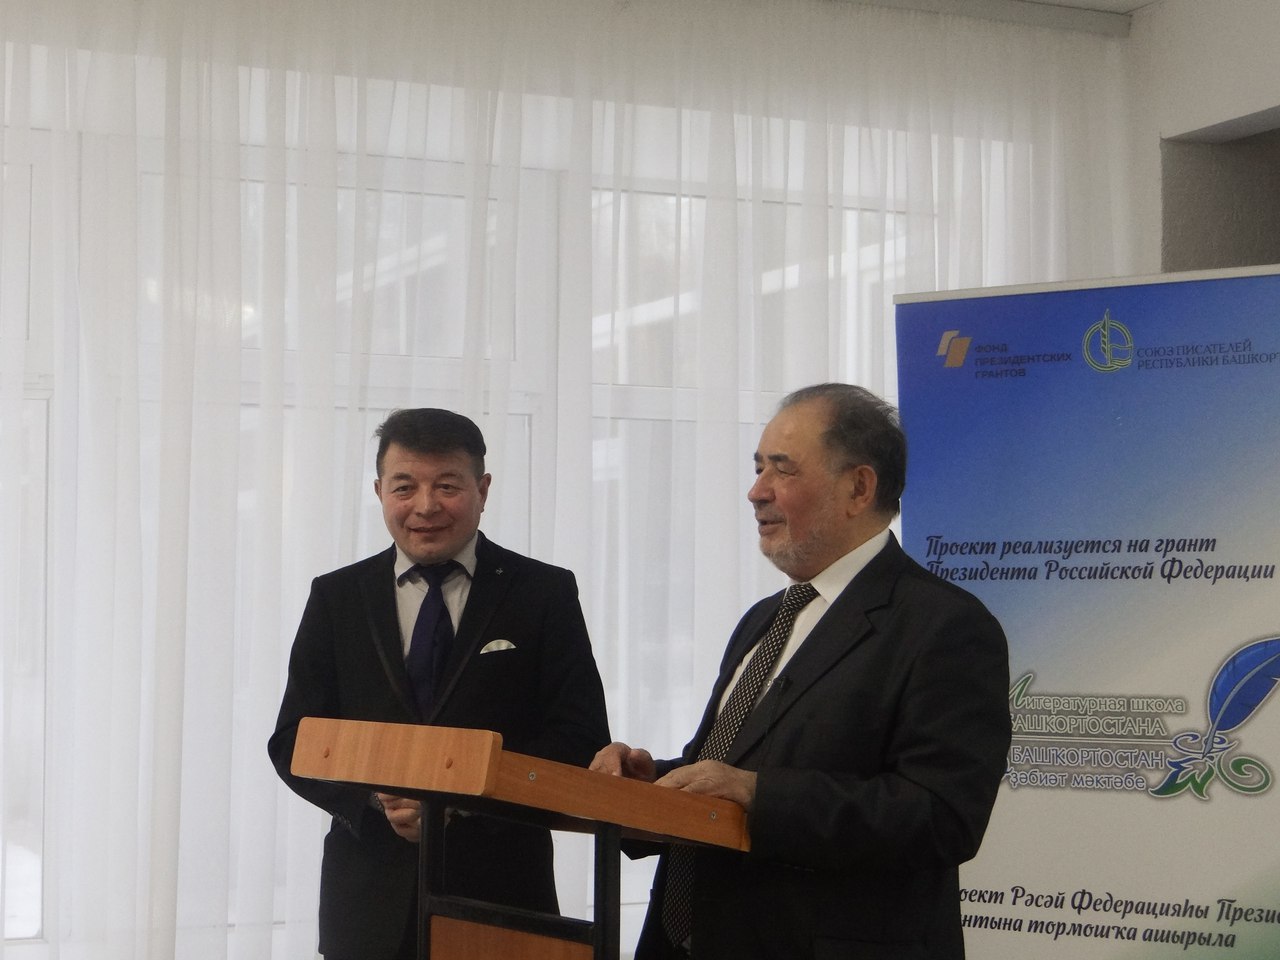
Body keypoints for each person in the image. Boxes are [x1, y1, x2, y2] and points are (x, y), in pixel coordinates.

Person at [592, 383, 1010, 960]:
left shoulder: (945, 625)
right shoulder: (764, 619)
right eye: (757, 468)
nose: (756, 491)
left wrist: (757, 794)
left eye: (781, 469)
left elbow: (942, 817)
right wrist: (652, 787)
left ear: (858, 487)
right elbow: (733, 766)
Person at [269, 408, 611, 960]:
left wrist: (460, 799)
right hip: (367, 903)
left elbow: (579, 736)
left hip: (502, 891)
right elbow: (294, 739)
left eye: (447, 486)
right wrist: (376, 799)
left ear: (482, 489)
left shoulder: (542, 593)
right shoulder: (337, 597)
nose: (425, 506)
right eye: (404, 487)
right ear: (380, 492)